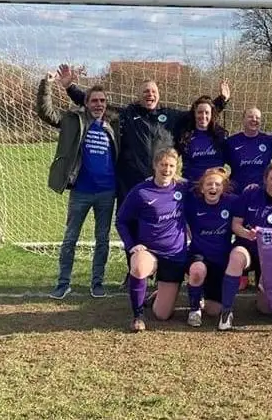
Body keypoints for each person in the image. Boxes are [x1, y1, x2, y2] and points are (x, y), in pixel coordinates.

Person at [57, 64, 230, 206]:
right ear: (139, 95)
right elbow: (96, 106)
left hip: (162, 181)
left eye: (153, 91)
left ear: (159, 95)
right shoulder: (126, 115)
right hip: (131, 183)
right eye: (146, 92)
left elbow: (199, 114)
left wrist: (221, 100)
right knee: (129, 225)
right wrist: (70, 88)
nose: (150, 94)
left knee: (159, 224)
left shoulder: (171, 116)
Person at [36, 72, 119, 300]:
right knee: (70, 238)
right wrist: (47, 85)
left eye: (102, 101)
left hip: (107, 192)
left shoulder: (114, 124)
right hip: (81, 192)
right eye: (94, 100)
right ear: (86, 103)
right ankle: (63, 283)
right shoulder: (74, 120)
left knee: (102, 239)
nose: (99, 104)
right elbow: (46, 112)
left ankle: (97, 283)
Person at [115, 148, 189, 332]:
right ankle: (138, 315)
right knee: (139, 266)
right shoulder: (141, 191)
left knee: (162, 315)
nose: (167, 169)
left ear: (176, 168)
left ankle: (157, 295)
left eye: (171, 165)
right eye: (163, 165)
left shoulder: (183, 188)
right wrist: (132, 245)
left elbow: (210, 188)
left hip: (174, 254)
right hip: (150, 251)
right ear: (155, 165)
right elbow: (121, 220)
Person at [226, 162, 272, 328]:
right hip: (247, 248)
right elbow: (235, 225)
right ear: (265, 180)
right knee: (236, 257)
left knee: (266, 310)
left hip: (269, 256)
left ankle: (262, 292)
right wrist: (247, 234)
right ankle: (226, 311)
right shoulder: (250, 195)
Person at [183, 168, 238, 328]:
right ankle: (194, 310)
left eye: (217, 184)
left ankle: (201, 295)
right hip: (199, 256)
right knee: (198, 271)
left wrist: (253, 189)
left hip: (221, 261)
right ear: (202, 188)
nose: (213, 187)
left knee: (214, 311)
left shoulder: (232, 202)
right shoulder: (193, 204)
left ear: (223, 188)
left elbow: (249, 204)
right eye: (209, 184)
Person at [175, 96, 227, 183]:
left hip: (214, 187)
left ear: (212, 115)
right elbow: (171, 157)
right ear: (194, 114)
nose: (203, 116)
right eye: (200, 112)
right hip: (192, 186)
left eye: (207, 113)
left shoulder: (220, 136)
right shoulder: (185, 137)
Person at [225, 107, 272, 194]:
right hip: (237, 192)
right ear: (243, 119)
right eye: (250, 117)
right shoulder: (232, 141)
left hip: (261, 192)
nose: (254, 120)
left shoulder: (268, 141)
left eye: (257, 118)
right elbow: (220, 164)